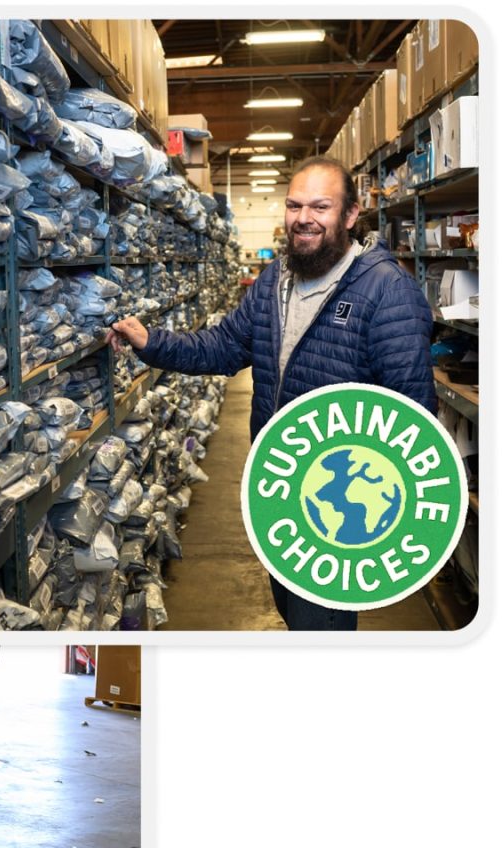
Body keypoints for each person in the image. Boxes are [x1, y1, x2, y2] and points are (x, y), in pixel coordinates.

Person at [105, 155, 436, 632]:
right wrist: (151, 342)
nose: (304, 218)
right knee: (291, 607)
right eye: (294, 205)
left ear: (349, 214)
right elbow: (223, 347)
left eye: (320, 207)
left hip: (340, 500)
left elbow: (411, 415)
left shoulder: (387, 291)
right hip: (283, 486)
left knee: (319, 624)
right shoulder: (274, 282)